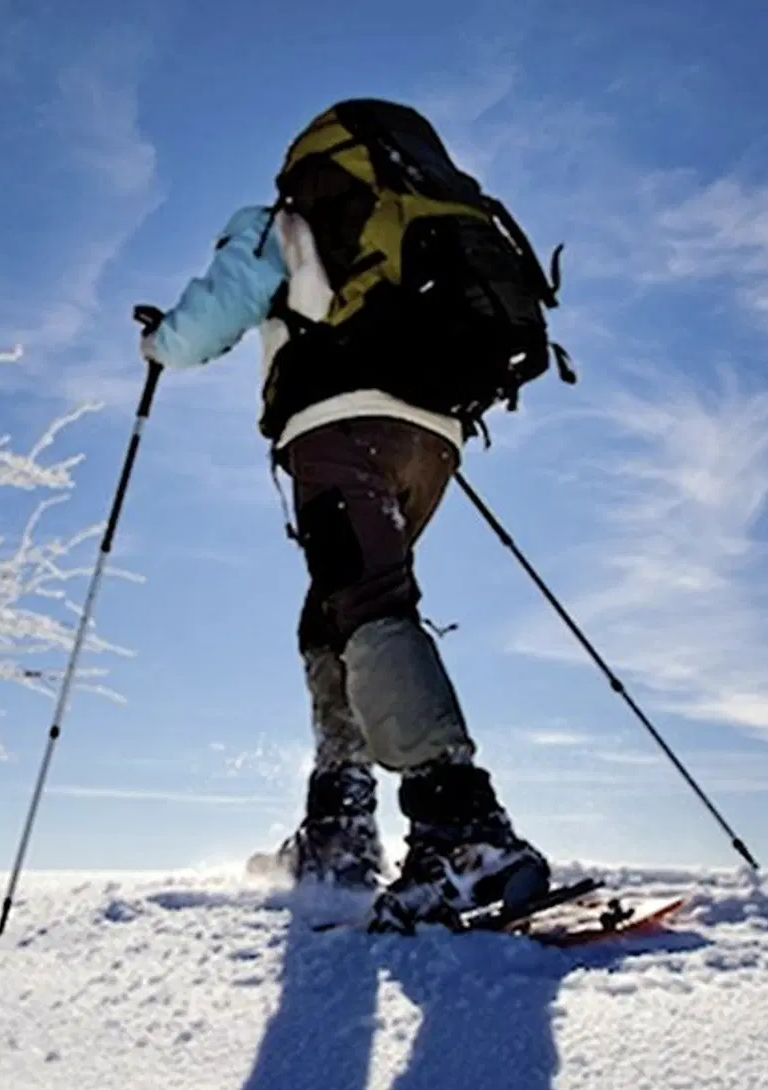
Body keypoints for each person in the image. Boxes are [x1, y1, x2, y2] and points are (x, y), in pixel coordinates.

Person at [137, 99, 560, 933]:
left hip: (341, 428)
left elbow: (204, 327)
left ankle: (460, 827)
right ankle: (340, 826)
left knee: (368, 605)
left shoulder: (283, 223)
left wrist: (160, 342)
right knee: (331, 612)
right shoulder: (414, 216)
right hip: (434, 434)